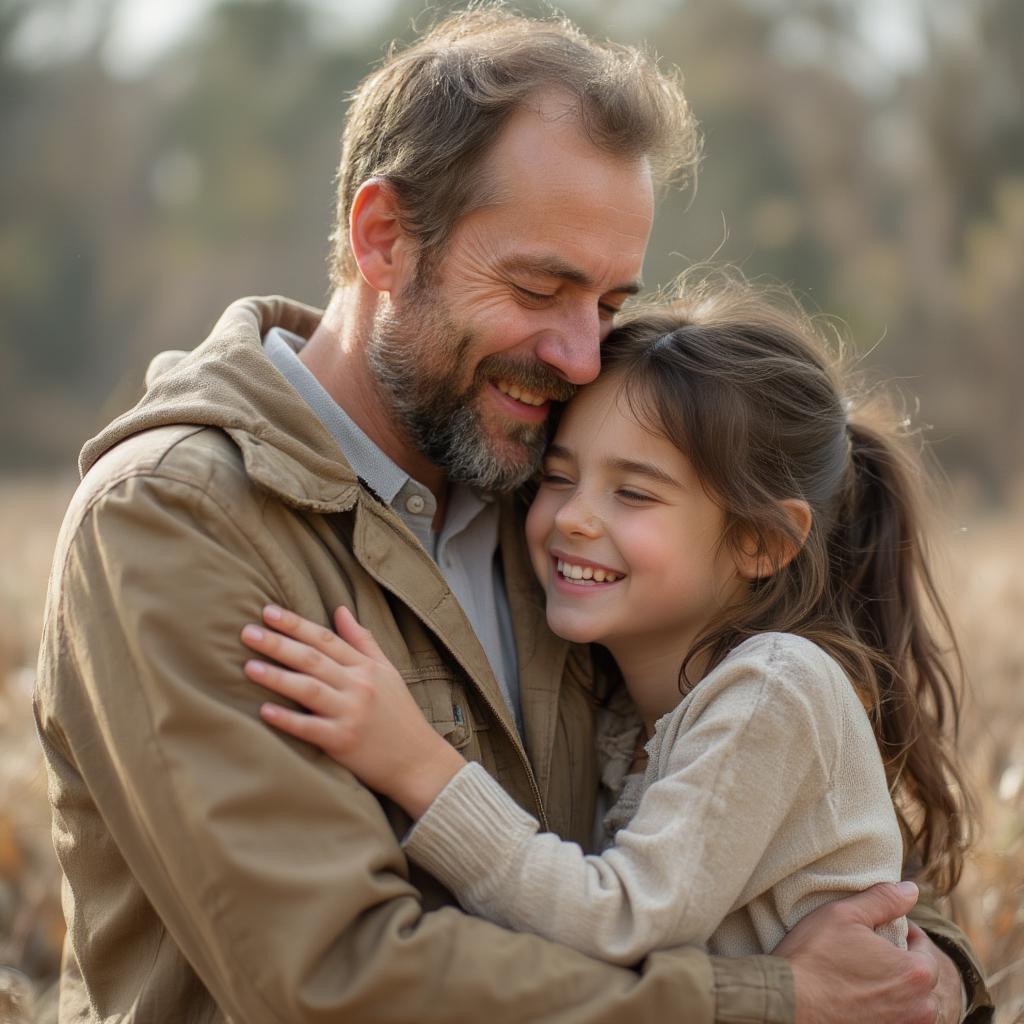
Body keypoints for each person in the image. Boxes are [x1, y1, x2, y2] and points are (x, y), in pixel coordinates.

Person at [33, 7, 990, 1023]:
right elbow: (336, 985)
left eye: (610, 306)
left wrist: (917, 966)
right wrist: (767, 1001)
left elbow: (801, 831)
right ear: (383, 238)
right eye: (541, 287)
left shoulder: (554, 492)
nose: (581, 357)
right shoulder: (177, 521)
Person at [237, 279, 968, 964]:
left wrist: (419, 767)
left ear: (761, 541)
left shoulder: (777, 691)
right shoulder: (627, 714)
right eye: (558, 477)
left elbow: (619, 921)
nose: (574, 518)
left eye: (635, 494)